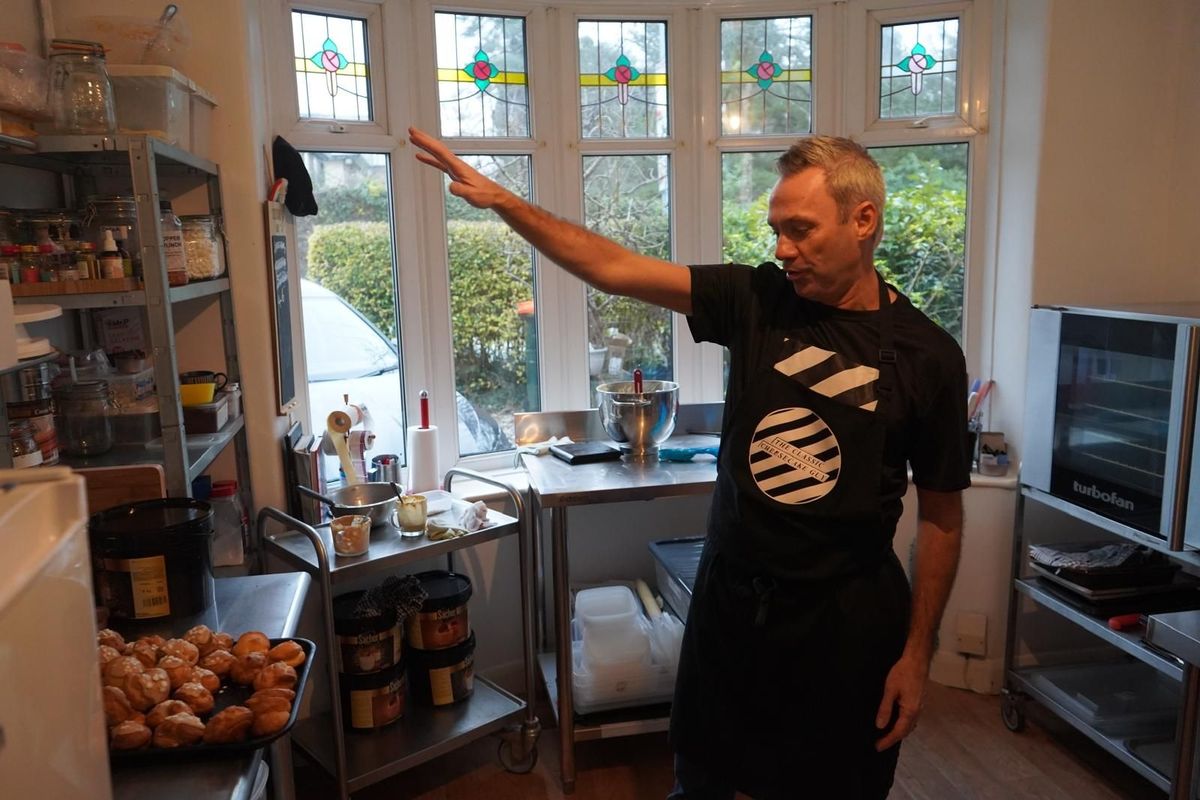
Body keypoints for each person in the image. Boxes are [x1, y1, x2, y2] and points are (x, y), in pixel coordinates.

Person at [409, 126, 969, 799]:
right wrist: (505, 201)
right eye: (775, 229)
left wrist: (917, 653)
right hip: (733, 607)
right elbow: (611, 267)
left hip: (847, 623)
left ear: (864, 220)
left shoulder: (928, 357)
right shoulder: (757, 302)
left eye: (800, 229)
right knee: (703, 782)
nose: (781, 249)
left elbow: (941, 517)